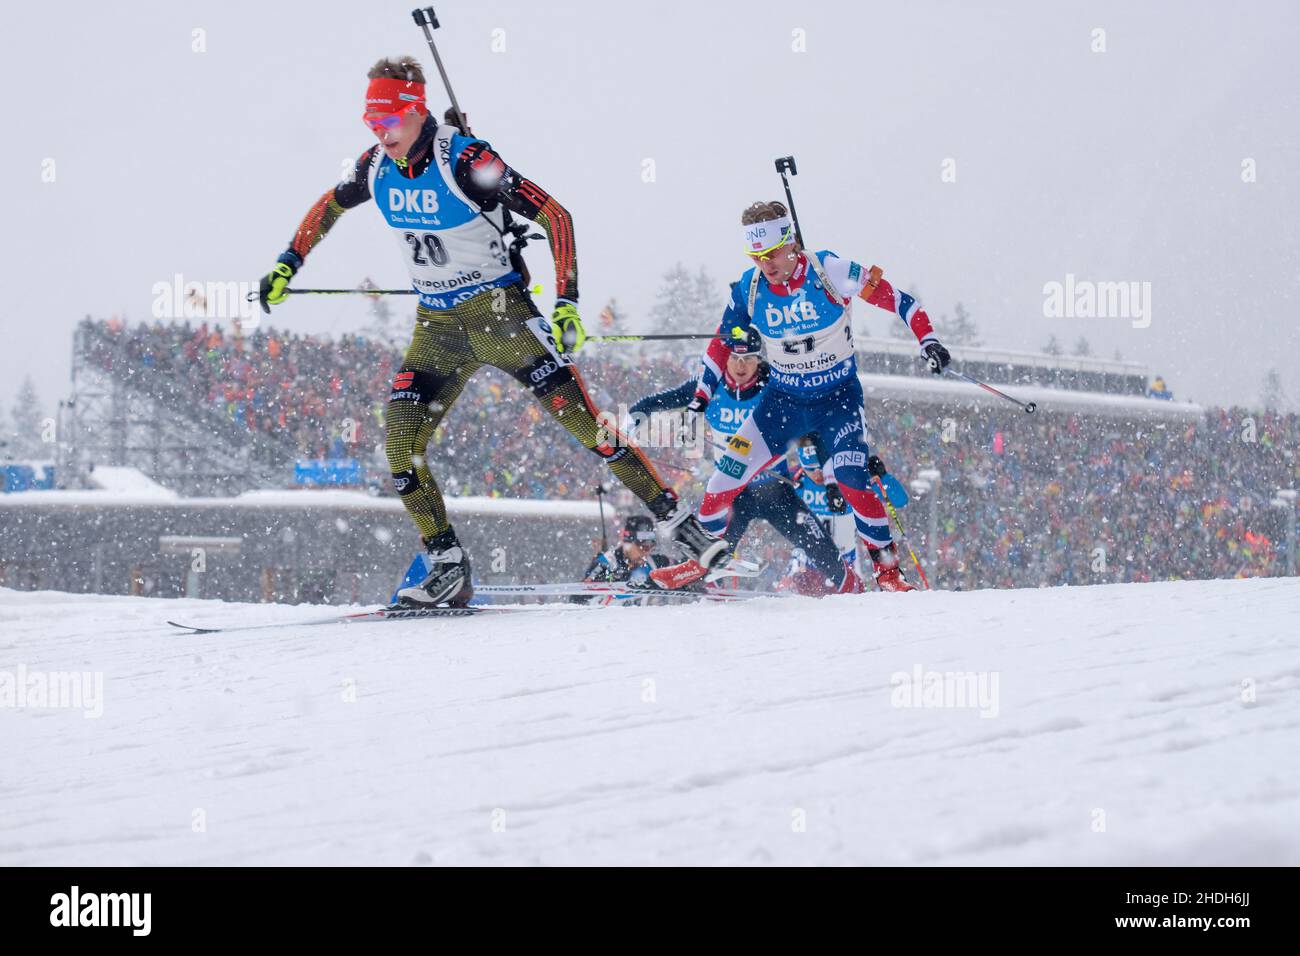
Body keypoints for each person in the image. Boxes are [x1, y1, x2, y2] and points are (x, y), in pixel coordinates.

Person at [258, 55, 722, 607]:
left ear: (415, 110)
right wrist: (290, 260)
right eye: (370, 124)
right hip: (438, 326)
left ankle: (688, 531)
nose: (379, 134)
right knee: (401, 447)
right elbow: (329, 205)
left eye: (387, 122)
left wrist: (567, 301)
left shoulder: (465, 158)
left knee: (586, 426)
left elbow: (555, 215)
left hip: (501, 315)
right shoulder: (376, 166)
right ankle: (448, 564)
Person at [651, 199, 951, 592]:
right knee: (722, 481)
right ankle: (700, 560)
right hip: (782, 404)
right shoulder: (750, 287)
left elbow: (902, 301)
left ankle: (888, 572)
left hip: (837, 402)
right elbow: (720, 345)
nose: (766, 264)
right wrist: (700, 399)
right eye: (757, 256)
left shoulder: (832, 271)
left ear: (790, 243)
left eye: (772, 253)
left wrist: (928, 342)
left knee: (851, 479)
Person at [630, 327, 862, 594]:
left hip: (777, 493)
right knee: (706, 552)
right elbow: (655, 401)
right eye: (735, 358)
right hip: (733, 495)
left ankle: (855, 590)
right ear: (725, 357)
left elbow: (814, 433)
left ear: (759, 359)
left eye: (749, 358)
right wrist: (628, 424)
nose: (741, 366)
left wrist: (832, 481)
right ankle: (688, 592)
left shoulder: (778, 389)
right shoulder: (710, 386)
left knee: (823, 550)